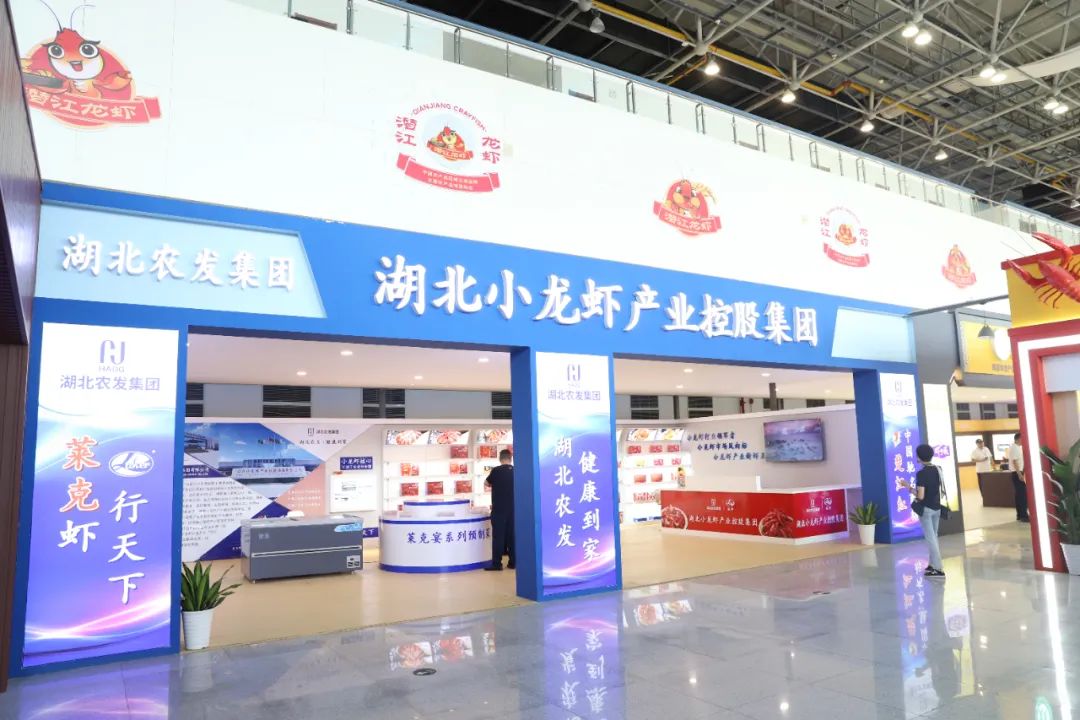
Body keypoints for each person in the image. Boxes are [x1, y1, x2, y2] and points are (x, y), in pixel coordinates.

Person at [915, 443, 945, 579]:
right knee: (934, 536)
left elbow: (920, 496)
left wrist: (909, 488)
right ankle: (932, 564)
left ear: (919, 457)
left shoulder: (921, 474)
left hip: (926, 510)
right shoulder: (938, 469)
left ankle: (938, 568)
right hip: (937, 507)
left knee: (930, 538)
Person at [484, 449, 515, 571]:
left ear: (500, 459)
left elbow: (486, 483)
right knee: (512, 536)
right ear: (510, 459)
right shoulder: (515, 471)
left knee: (498, 537)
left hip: (499, 509)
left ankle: (497, 564)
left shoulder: (496, 471)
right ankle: (513, 563)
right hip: (513, 509)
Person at [1008, 432, 1029, 522]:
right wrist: (1019, 474)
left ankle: (1020, 515)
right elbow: (1015, 462)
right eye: (1022, 438)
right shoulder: (1014, 448)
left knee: (1019, 494)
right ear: (1018, 439)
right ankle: (1023, 515)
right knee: (1022, 495)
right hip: (1017, 473)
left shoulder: (1017, 447)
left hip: (1018, 472)